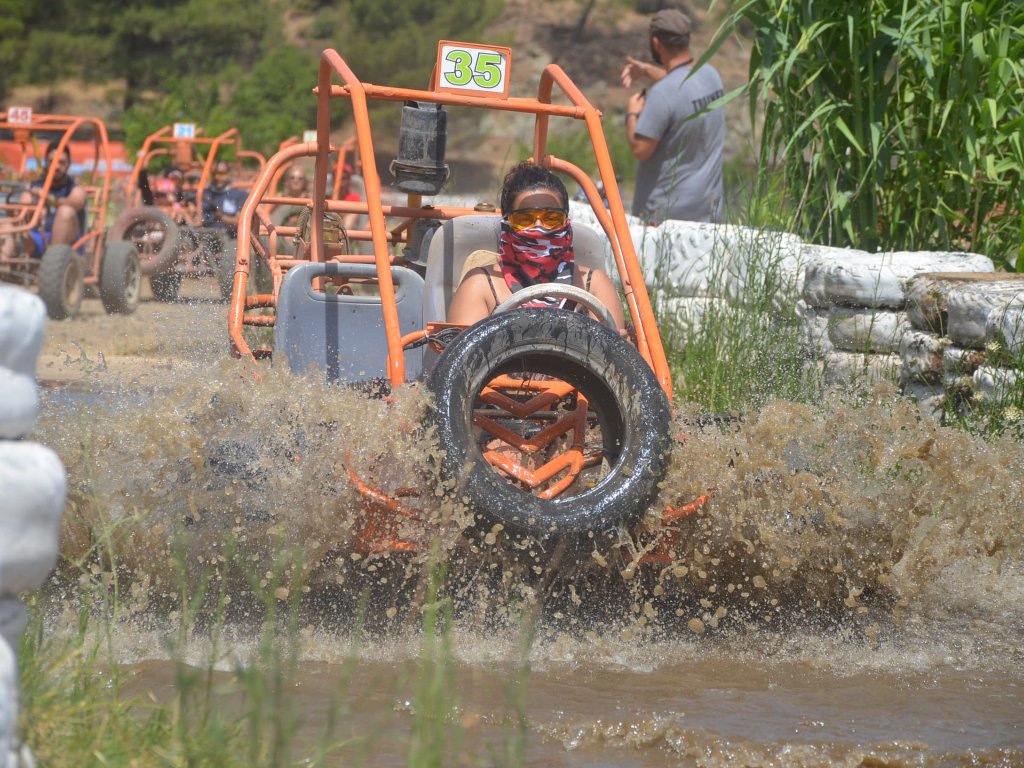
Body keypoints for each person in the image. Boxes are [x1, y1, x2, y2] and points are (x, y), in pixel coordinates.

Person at [447, 161, 626, 331]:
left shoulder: (593, 285)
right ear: (507, 223)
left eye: (551, 219)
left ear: (566, 222)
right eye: (525, 220)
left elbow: (613, 359)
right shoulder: (481, 286)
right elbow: (465, 359)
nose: (539, 228)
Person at [622, 8, 725, 224]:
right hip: (708, 213)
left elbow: (640, 150)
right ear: (687, 40)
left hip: (665, 220)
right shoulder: (711, 75)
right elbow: (681, 88)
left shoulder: (663, 94)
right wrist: (649, 70)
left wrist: (632, 112)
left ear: (656, 43)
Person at [0, 140, 88, 259]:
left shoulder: (75, 190)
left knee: (65, 212)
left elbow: (76, 203)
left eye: (61, 162)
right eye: (52, 162)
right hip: (35, 239)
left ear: (68, 165)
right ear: (46, 162)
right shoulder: (33, 186)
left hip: (66, 245)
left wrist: (48, 199)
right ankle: (3, 265)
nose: (56, 166)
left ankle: (52, 261)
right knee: (7, 223)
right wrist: (28, 207)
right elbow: (19, 212)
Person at [201, 160, 249, 237]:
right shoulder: (203, 193)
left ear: (229, 174)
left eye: (221, 173)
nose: (217, 177)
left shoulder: (240, 195)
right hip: (204, 234)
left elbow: (241, 221)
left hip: (229, 237)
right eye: (214, 173)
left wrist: (222, 217)